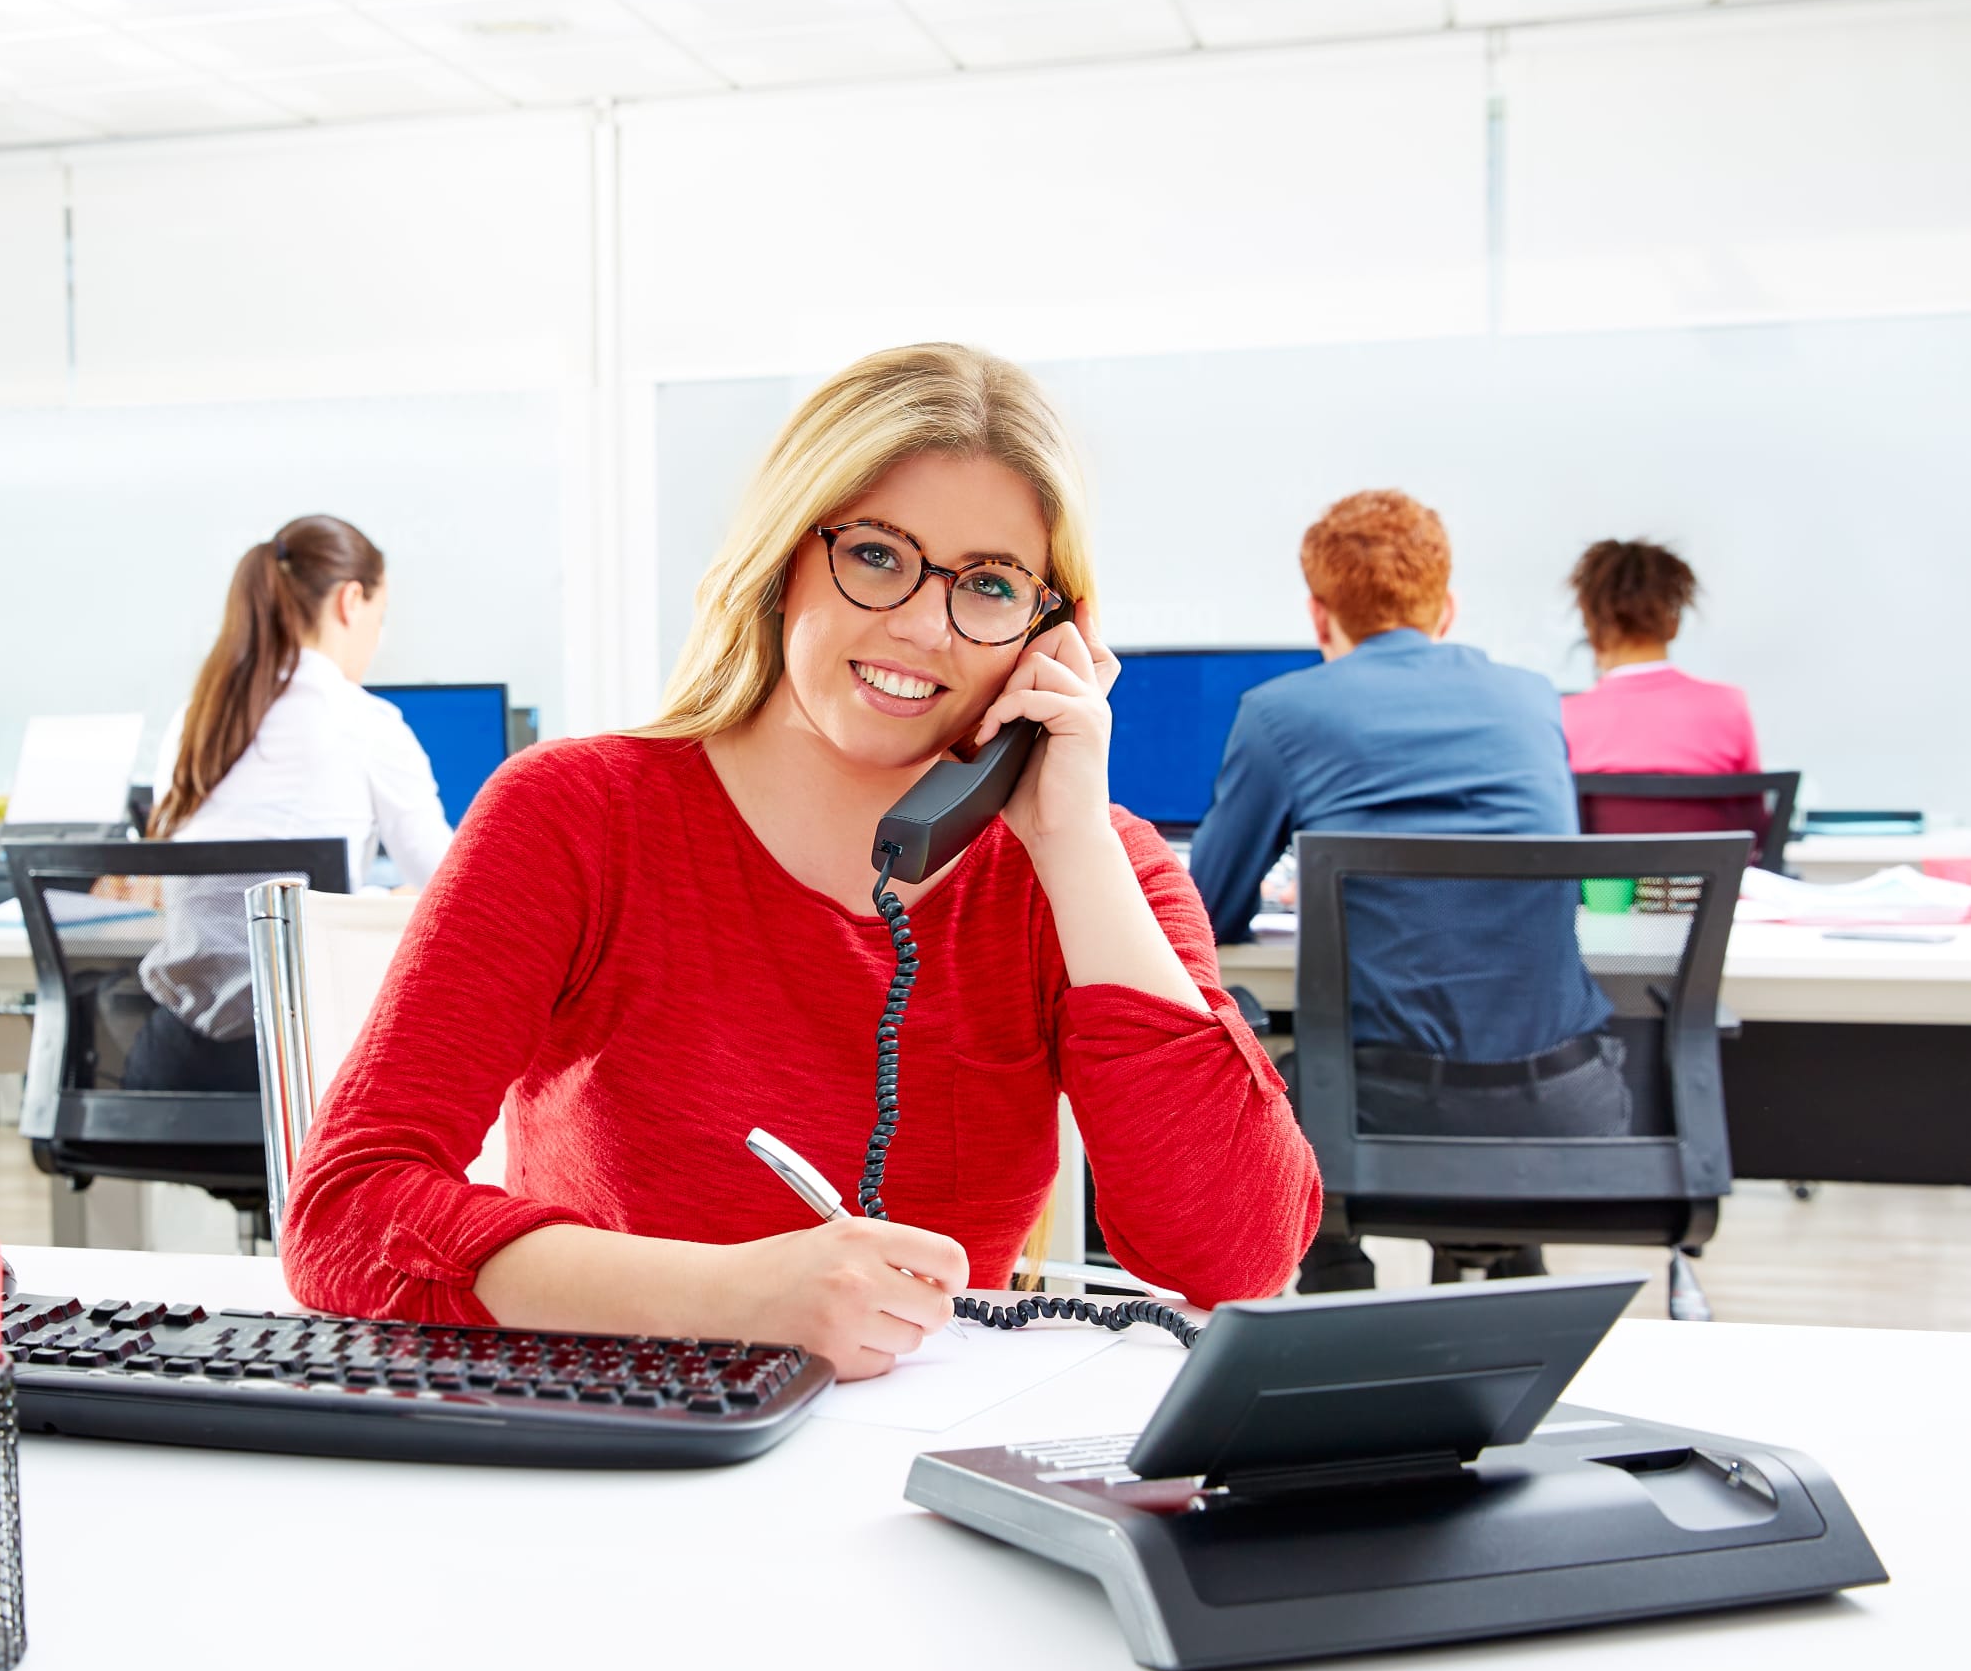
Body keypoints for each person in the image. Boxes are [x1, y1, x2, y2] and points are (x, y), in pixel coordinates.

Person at [283, 344, 1320, 1378]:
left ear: (1054, 635)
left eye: (992, 584)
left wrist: (1071, 845)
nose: (922, 626)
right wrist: (736, 1298)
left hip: (929, 1480)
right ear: (784, 557)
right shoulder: (576, 813)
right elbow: (346, 1209)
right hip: (622, 1435)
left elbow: (1237, 1257)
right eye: (875, 554)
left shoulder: (1100, 869)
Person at [1192, 490, 1624, 1290]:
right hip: (1563, 1102)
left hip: (1379, 1110)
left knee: (1289, 1098)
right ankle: (1501, 1268)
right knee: (1457, 1093)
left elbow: (1205, 913)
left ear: (1319, 618)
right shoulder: (1533, 698)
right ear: (1447, 608)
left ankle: (1339, 1302)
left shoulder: (1280, 710)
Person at [130, 514, 452, 1093]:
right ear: (352, 601)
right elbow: (456, 890)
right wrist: (384, 901)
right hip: (301, 1078)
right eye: (381, 618)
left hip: (174, 1066)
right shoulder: (364, 722)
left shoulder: (193, 721)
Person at [1561, 539, 1759, 774]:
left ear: (1592, 627)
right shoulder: (1729, 708)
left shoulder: (1564, 721)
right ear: (1673, 624)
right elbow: (1750, 809)